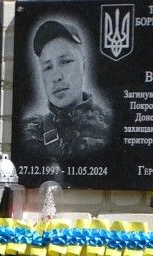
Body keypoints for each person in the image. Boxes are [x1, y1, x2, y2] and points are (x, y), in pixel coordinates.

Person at [20, 20, 112, 163]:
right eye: (47, 68)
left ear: (83, 66)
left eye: (65, 62)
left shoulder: (111, 124)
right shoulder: (29, 131)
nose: (56, 77)